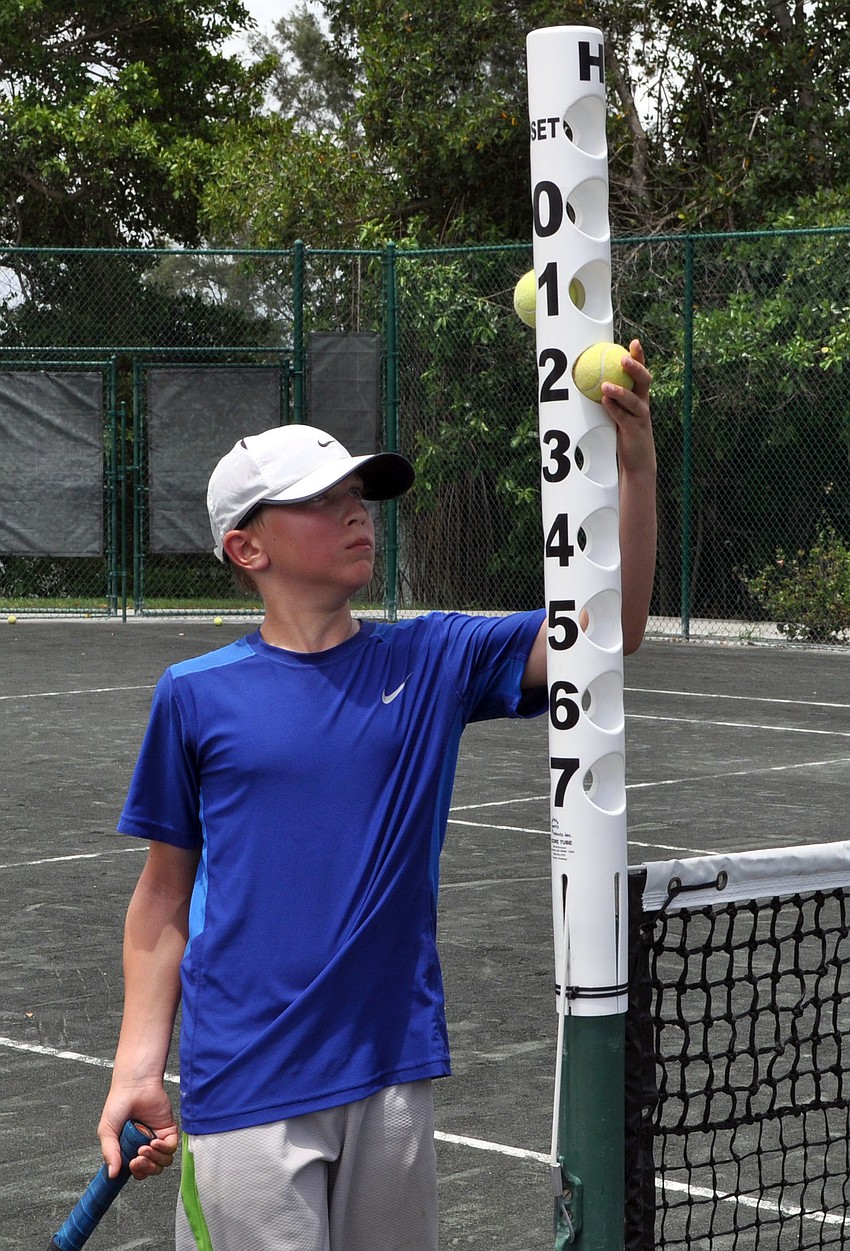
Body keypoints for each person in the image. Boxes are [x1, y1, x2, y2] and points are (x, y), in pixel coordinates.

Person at [97, 340, 656, 1250]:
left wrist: (634, 466)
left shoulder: (432, 658)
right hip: (246, 1084)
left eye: (357, 495)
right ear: (247, 545)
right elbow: (162, 898)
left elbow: (610, 631)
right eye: (322, 501)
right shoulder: (195, 695)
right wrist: (136, 1067)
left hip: (391, 1072)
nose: (355, 512)